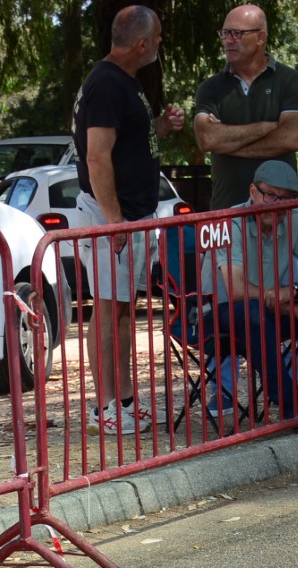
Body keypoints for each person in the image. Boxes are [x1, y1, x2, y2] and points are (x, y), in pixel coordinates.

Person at [72, 4, 185, 437]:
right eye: (156, 40)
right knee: (107, 311)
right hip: (111, 217)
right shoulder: (105, 84)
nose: (158, 47)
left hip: (131, 215)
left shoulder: (123, 83)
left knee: (122, 312)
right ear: (141, 44)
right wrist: (115, 220)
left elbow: (125, 142)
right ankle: (105, 406)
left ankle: (123, 400)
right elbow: (97, 155)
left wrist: (160, 126)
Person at [197, 158, 298, 418]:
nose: (277, 206)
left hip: (270, 308)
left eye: (286, 198)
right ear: (253, 192)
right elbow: (235, 290)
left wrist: (294, 291)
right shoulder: (231, 221)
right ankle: (294, 406)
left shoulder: (293, 215)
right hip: (222, 314)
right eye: (270, 196)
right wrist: (294, 307)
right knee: (252, 311)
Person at [191, 5, 298, 213]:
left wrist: (228, 144)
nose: (228, 40)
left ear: (260, 37)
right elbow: (207, 139)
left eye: (237, 33)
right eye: (225, 33)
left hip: (280, 215)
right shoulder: (211, 88)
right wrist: (270, 127)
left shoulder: (289, 80)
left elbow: (290, 138)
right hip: (227, 216)